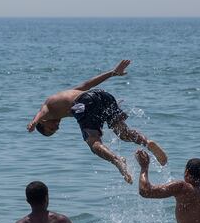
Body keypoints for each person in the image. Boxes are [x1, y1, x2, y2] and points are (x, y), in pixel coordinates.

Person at [27, 59, 167, 184]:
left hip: (85, 102)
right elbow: (87, 84)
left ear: (43, 122)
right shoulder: (65, 97)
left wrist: (34, 122)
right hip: (102, 95)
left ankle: (117, 160)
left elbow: (41, 112)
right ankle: (147, 143)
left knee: (93, 141)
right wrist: (112, 73)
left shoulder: (48, 108)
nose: (57, 127)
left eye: (51, 129)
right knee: (123, 133)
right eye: (55, 130)